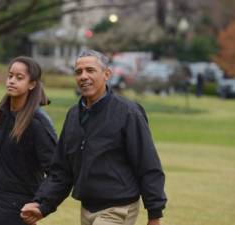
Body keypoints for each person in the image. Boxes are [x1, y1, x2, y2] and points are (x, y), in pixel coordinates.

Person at [21, 50, 167, 225]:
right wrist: (42, 205)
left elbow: (147, 164)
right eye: (78, 72)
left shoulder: (128, 113)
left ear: (107, 74)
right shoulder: (73, 115)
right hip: (87, 208)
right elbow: (61, 170)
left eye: (90, 70)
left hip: (118, 208)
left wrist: (154, 214)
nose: (83, 76)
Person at [0, 56, 57, 225]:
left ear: (32, 84)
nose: (12, 81)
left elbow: (56, 170)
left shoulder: (37, 123)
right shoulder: (3, 113)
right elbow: (6, 156)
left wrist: (41, 204)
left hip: (15, 209)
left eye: (19, 78)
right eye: (10, 76)